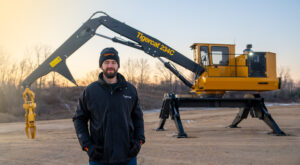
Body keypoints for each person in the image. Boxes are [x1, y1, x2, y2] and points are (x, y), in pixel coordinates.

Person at [73, 47, 145, 165]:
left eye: (113, 62)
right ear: (101, 65)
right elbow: (79, 119)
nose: (110, 65)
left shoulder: (130, 90)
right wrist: (87, 146)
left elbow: (138, 118)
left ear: (118, 65)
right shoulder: (90, 91)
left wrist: (139, 141)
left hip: (128, 156)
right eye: (106, 62)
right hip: (99, 157)